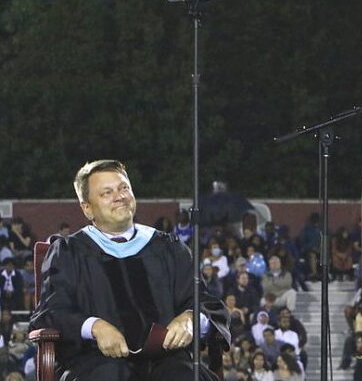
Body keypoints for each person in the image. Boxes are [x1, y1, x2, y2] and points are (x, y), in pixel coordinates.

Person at [29, 160, 230, 381]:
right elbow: (51, 312)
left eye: (124, 188)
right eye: (107, 193)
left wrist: (191, 318)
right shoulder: (69, 252)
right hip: (94, 363)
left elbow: (205, 302)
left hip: (168, 362)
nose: (119, 196)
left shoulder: (168, 247)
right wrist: (94, 326)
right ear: (87, 208)